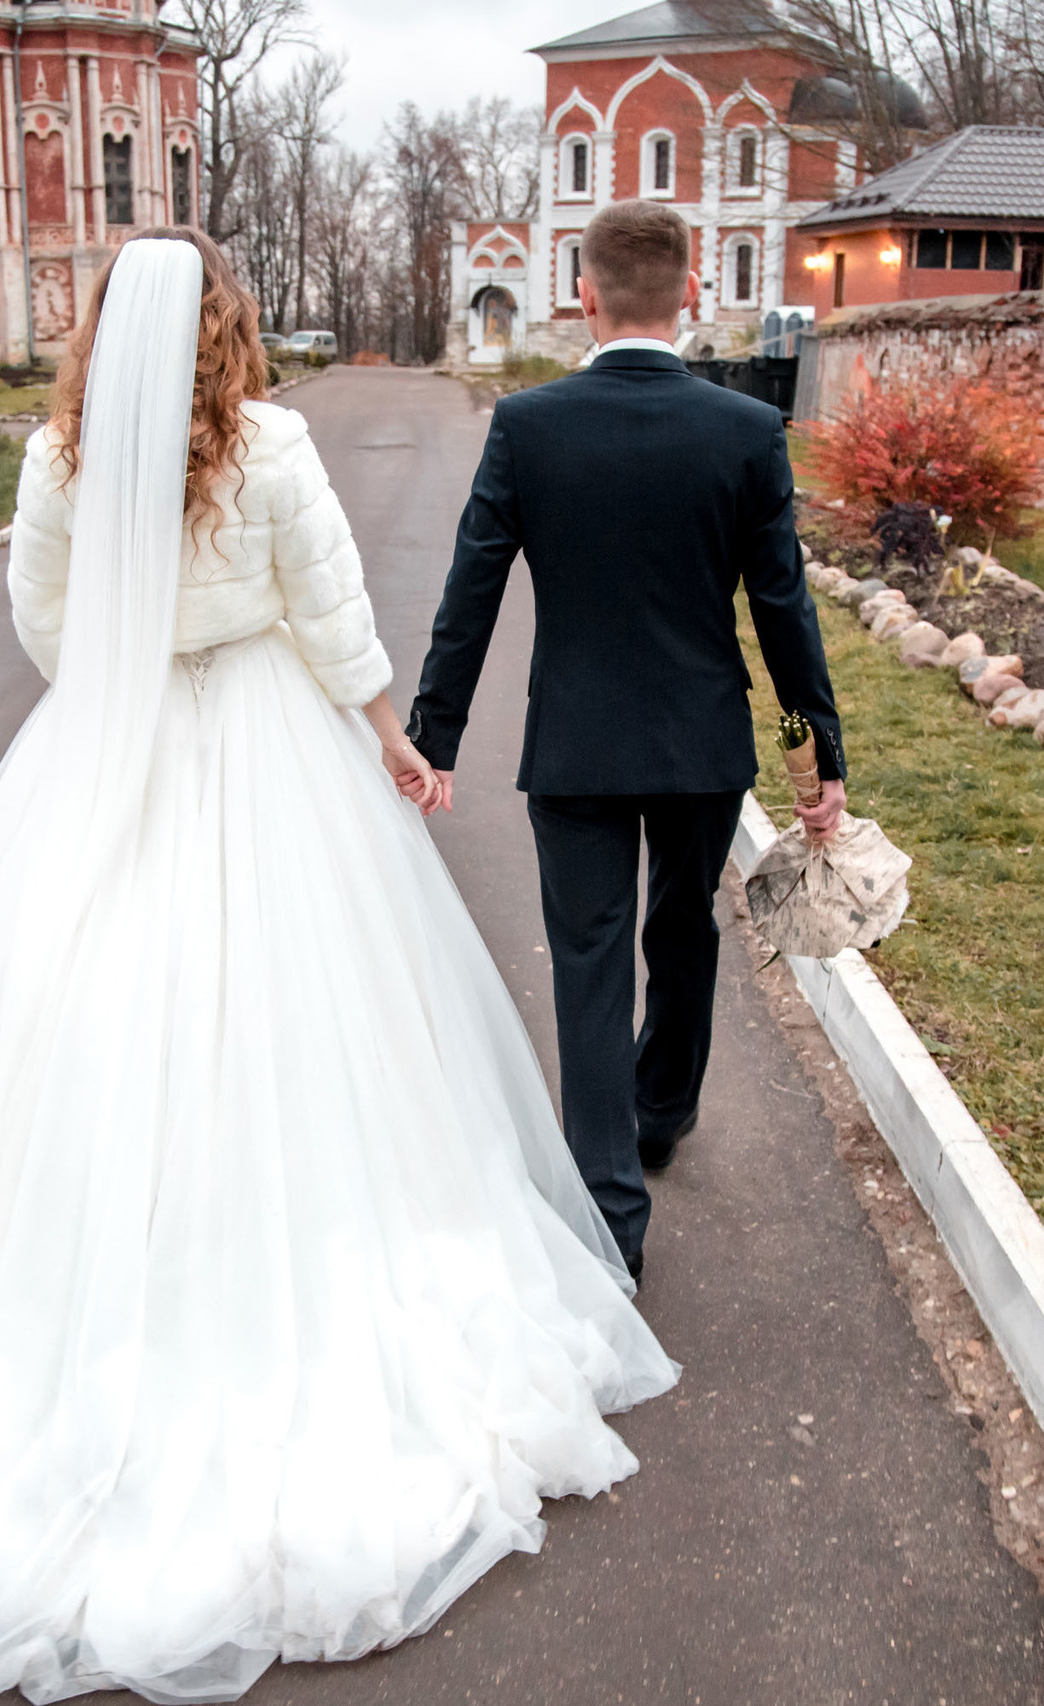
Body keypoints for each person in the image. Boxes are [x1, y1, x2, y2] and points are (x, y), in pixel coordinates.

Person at [0, 231, 675, 1703]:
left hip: (112, 739)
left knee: (83, 1015)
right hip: (270, 741)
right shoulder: (268, 442)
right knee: (308, 1028)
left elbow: (41, 617)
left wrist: (113, 704)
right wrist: (388, 734)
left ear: (99, 331)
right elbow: (331, 605)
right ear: (225, 327)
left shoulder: (60, 453)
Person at [407, 199, 847, 1281]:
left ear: (584, 295)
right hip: (703, 745)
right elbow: (782, 612)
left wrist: (436, 734)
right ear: (692, 292)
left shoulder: (530, 425)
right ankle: (663, 1107)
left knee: (591, 960)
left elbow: (472, 590)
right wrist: (814, 759)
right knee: (684, 927)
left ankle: (610, 1215)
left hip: (576, 746)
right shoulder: (745, 432)